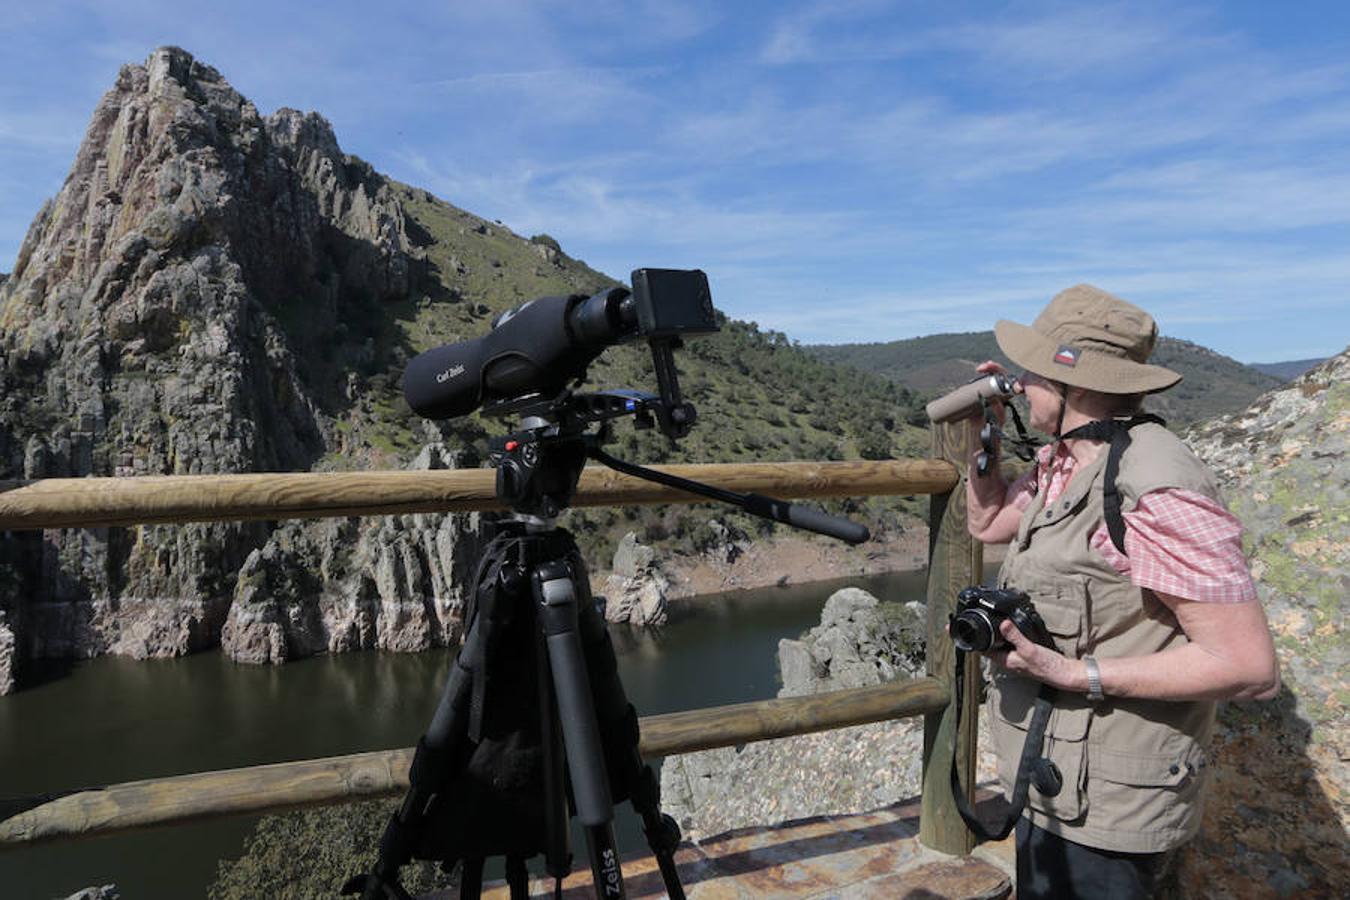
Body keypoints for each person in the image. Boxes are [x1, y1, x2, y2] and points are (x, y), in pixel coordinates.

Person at [963, 284, 1279, 899]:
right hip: (1058, 779)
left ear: (1073, 382)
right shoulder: (1071, 458)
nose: (1019, 380)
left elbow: (1247, 665)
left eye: (1032, 369)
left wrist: (1071, 672)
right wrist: (988, 440)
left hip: (1113, 806)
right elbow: (989, 522)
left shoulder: (1153, 484)